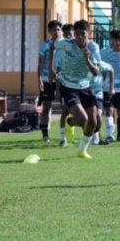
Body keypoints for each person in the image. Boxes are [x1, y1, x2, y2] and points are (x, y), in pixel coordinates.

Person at [49, 20, 101, 159]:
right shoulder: (66, 43)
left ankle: (82, 150)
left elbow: (96, 72)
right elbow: (52, 46)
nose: (79, 37)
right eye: (76, 34)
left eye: (82, 34)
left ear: (89, 34)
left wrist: (88, 59)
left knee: (94, 122)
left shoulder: (93, 47)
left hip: (84, 86)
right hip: (67, 86)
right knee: (83, 119)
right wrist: (51, 68)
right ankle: (71, 121)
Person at [37, 20, 63, 144]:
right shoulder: (45, 45)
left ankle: (64, 135)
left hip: (62, 80)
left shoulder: (65, 44)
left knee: (67, 107)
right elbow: (40, 63)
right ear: (49, 32)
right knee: (46, 107)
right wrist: (40, 79)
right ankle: (45, 136)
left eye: (58, 29)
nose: (56, 32)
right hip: (48, 80)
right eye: (54, 30)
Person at [90, 61, 114, 145]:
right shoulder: (83, 62)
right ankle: (92, 137)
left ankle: (97, 136)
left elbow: (111, 69)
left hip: (98, 93)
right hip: (85, 92)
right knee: (89, 117)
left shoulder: (101, 64)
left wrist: (111, 87)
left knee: (98, 115)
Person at [58, 24, 75, 141]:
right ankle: (62, 138)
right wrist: (57, 90)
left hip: (79, 86)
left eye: (70, 33)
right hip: (65, 85)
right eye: (66, 34)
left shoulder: (79, 48)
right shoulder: (61, 50)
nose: (68, 36)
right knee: (65, 111)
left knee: (78, 113)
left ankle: (72, 135)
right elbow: (58, 71)